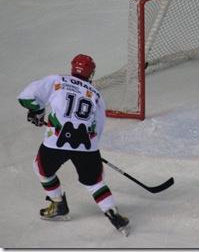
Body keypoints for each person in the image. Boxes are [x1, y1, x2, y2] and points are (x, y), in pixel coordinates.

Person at [18, 54, 130, 236]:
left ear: (72, 68)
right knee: (94, 182)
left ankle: (58, 204)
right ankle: (114, 215)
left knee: (42, 169)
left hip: (56, 142)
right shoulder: (96, 94)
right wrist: (91, 148)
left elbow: (26, 97)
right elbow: (99, 126)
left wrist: (37, 112)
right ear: (91, 73)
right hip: (87, 145)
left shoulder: (57, 80)